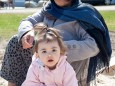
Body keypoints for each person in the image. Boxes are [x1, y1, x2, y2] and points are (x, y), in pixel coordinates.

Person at [0, 0, 112, 86]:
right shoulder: (50, 9)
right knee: (16, 41)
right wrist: (27, 32)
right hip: (43, 61)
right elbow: (27, 21)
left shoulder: (84, 13)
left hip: (67, 66)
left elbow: (94, 45)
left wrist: (59, 48)